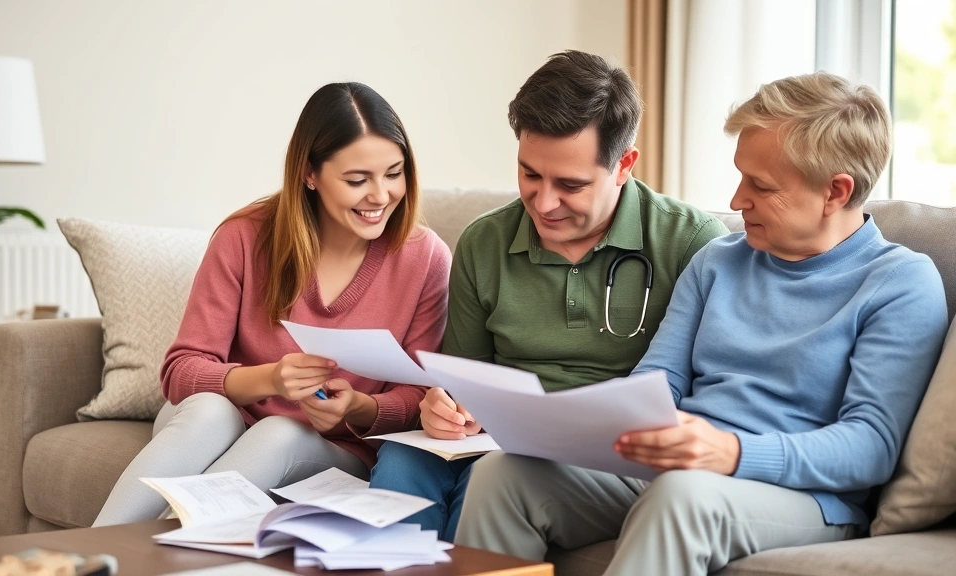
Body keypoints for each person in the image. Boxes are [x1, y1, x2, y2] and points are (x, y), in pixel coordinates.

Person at [453, 71, 950, 574]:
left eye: (761, 185)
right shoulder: (718, 260)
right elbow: (659, 382)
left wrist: (731, 452)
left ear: (835, 193)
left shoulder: (899, 283)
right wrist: (582, 428)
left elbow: (872, 446)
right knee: (504, 475)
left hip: (801, 495)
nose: (736, 201)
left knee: (682, 496)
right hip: (679, 469)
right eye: (740, 177)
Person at [368, 50, 729, 542]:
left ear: (624, 165)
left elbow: (713, 394)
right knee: (403, 462)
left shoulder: (690, 243)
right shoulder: (485, 242)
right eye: (530, 174)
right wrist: (444, 407)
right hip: (497, 434)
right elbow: (464, 376)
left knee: (492, 481)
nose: (544, 202)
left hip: (603, 454)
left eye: (571, 184)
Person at [93, 82, 450, 526]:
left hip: (330, 448)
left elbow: (421, 396)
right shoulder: (244, 236)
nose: (380, 196)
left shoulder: (426, 258)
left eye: (394, 173)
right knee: (208, 412)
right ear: (310, 174)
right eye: (358, 180)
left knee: (279, 432)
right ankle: (87, 557)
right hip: (217, 422)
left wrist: (357, 406)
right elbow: (180, 372)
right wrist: (273, 379)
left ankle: (146, 556)